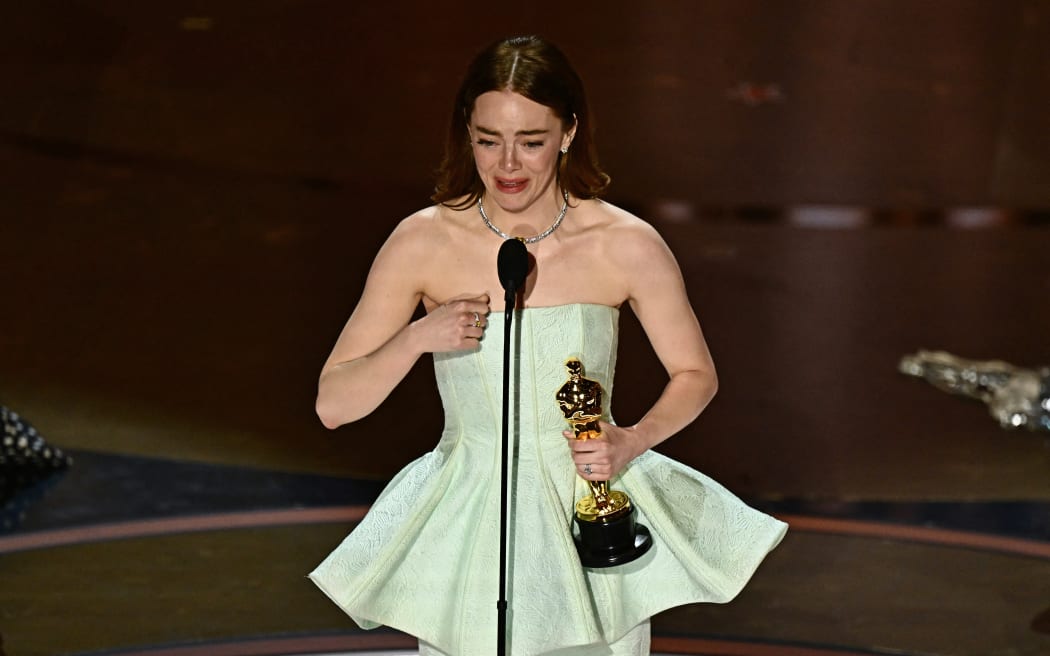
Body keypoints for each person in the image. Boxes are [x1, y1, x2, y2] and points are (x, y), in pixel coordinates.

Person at [309, 35, 787, 655]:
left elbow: (695, 373)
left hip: (588, 515)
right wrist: (416, 339)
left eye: (531, 141)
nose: (508, 164)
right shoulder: (422, 243)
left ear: (567, 133)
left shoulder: (624, 243)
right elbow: (334, 404)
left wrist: (632, 439)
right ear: (467, 133)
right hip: (473, 520)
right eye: (488, 139)